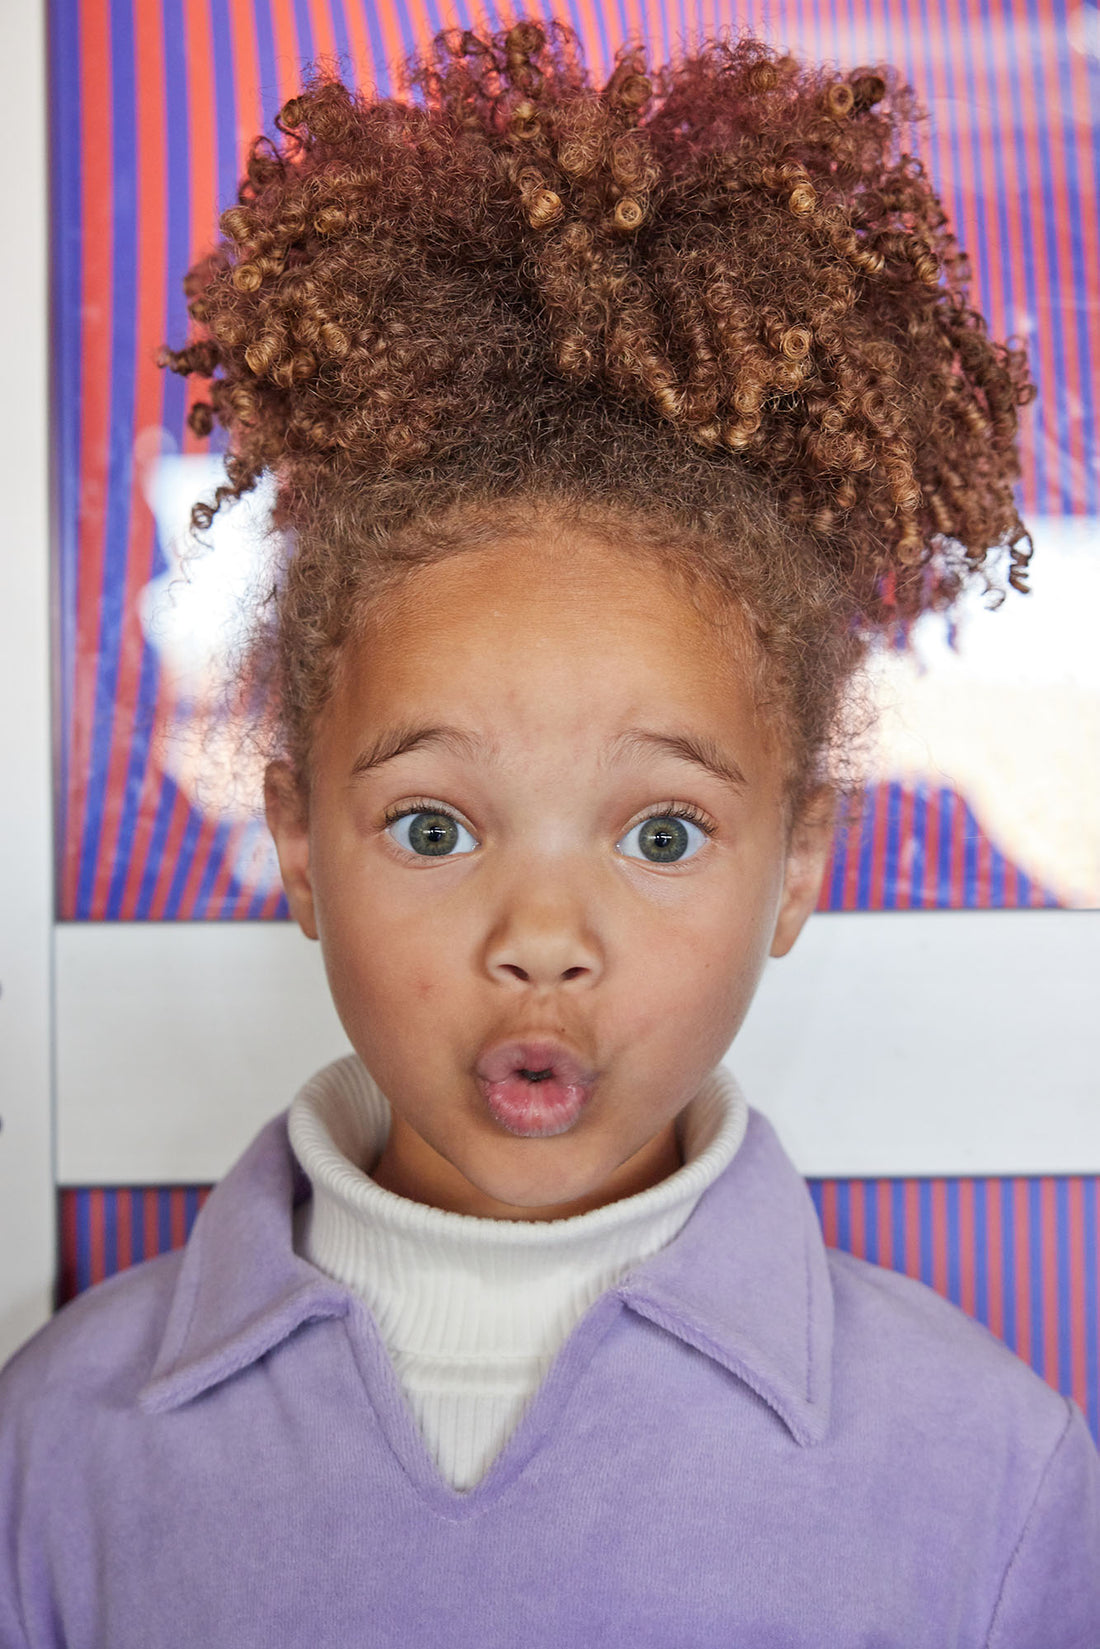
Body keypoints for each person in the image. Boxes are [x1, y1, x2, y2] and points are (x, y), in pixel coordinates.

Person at [2, 20, 1097, 1646]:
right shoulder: (54, 1453)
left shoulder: (989, 1475)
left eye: (660, 835)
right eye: (434, 822)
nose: (542, 931)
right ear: (297, 834)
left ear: (799, 856)